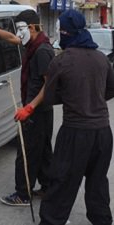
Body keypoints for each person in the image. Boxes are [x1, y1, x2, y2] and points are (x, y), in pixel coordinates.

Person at [39, 9, 114, 225]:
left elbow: (49, 97)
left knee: (62, 181)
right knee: (98, 183)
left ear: (65, 32)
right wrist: (93, 97)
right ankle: (102, 221)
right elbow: (111, 89)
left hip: (75, 132)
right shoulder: (101, 58)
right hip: (102, 133)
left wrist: (73, 97)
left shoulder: (61, 62)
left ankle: (51, 221)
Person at [0, 9, 54, 206]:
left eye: (22, 29)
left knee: (26, 152)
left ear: (32, 27)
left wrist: (29, 108)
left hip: (36, 111)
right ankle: (48, 187)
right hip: (39, 111)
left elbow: (50, 84)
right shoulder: (32, 42)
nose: (18, 34)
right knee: (43, 150)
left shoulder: (43, 51)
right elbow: (12, 38)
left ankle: (23, 194)